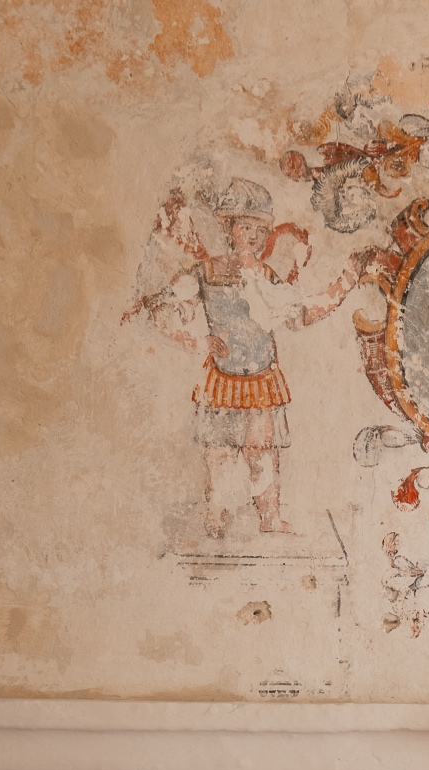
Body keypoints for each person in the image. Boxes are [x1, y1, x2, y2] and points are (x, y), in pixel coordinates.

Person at [139, 177, 358, 537]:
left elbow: (300, 314)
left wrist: (344, 284)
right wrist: (196, 340)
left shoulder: (266, 276)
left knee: (262, 454)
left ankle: (269, 518)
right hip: (222, 381)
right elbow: (161, 309)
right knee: (219, 456)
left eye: (260, 229)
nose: (254, 236)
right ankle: (215, 517)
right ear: (229, 229)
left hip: (260, 382)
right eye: (246, 227)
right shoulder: (208, 272)